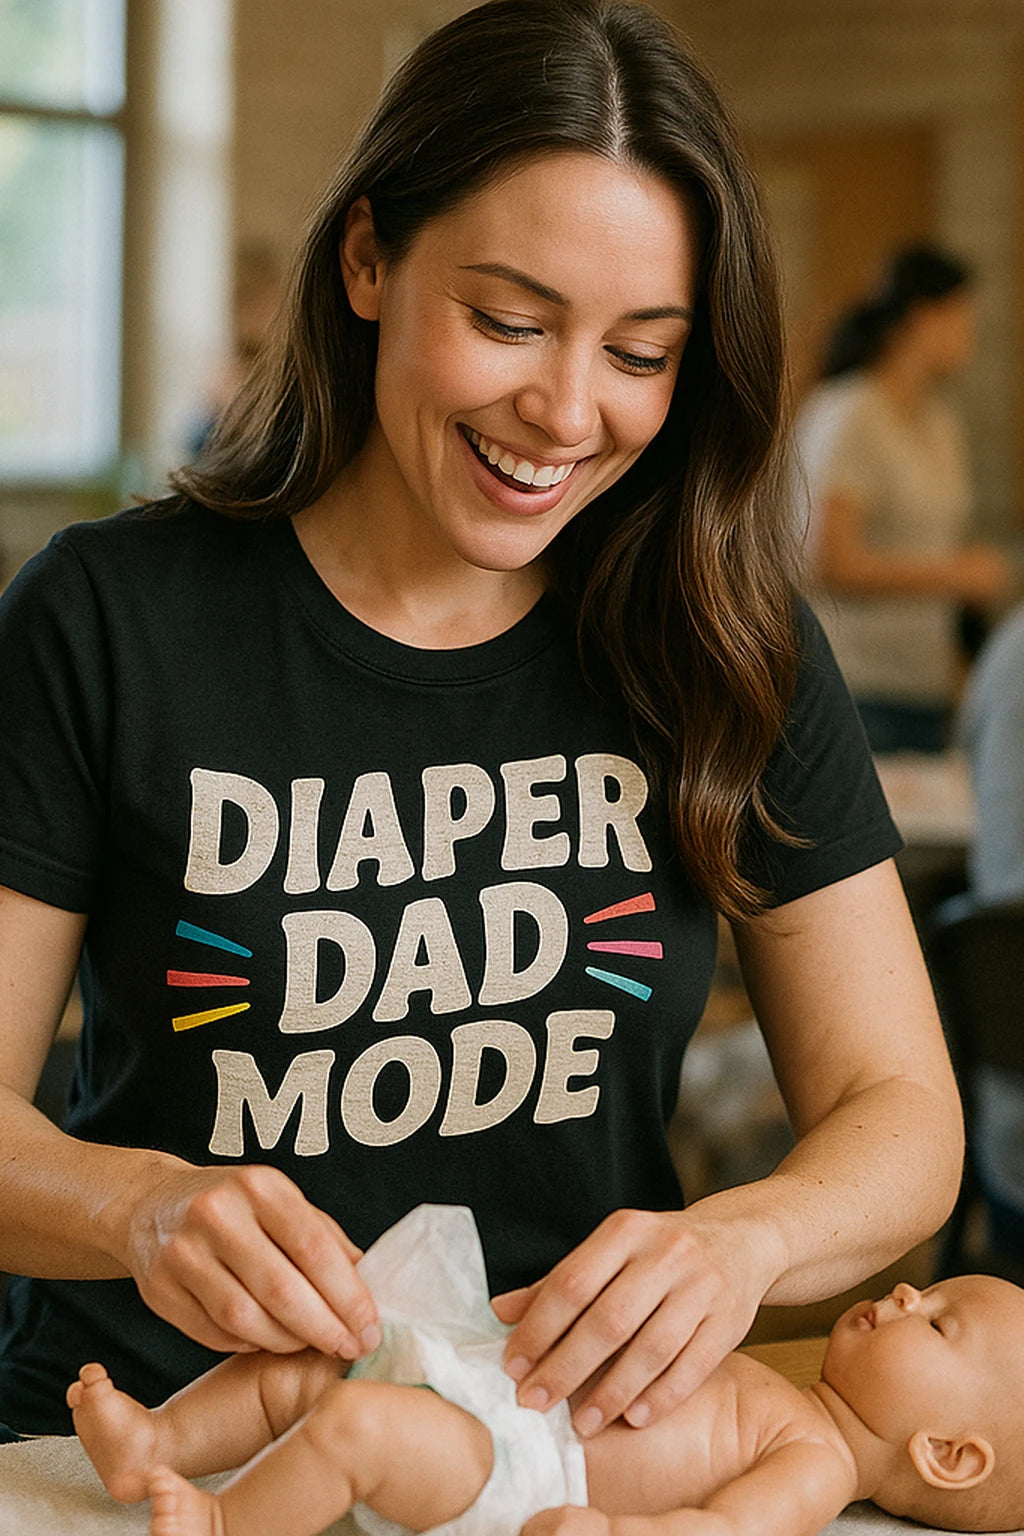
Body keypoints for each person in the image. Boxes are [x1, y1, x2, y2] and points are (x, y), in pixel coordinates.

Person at [0, 0, 962, 1449]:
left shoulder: (716, 638)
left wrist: (745, 1241)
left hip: (532, 1461)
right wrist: (140, 1206)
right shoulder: (109, 619)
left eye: (642, 353)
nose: (566, 410)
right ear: (369, 258)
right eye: (508, 321)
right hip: (139, 1449)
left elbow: (903, 1112)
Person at [67, 1205, 1024, 1536]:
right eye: (923, 1295)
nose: (905, 1296)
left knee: (357, 1428)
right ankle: (159, 1440)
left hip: (519, 1468)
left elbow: (727, 1526)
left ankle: (231, 1520)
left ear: (946, 1453)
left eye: (937, 1324)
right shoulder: (778, 1383)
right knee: (313, 1365)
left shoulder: (814, 1458)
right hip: (494, 1387)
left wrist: (607, 1527)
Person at [795, 244, 1013, 754]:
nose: (972, 334)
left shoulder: (941, 420)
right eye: (963, 316)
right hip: (855, 685)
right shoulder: (850, 412)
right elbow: (830, 560)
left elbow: (934, 539)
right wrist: (957, 575)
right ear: (923, 317)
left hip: (923, 684)